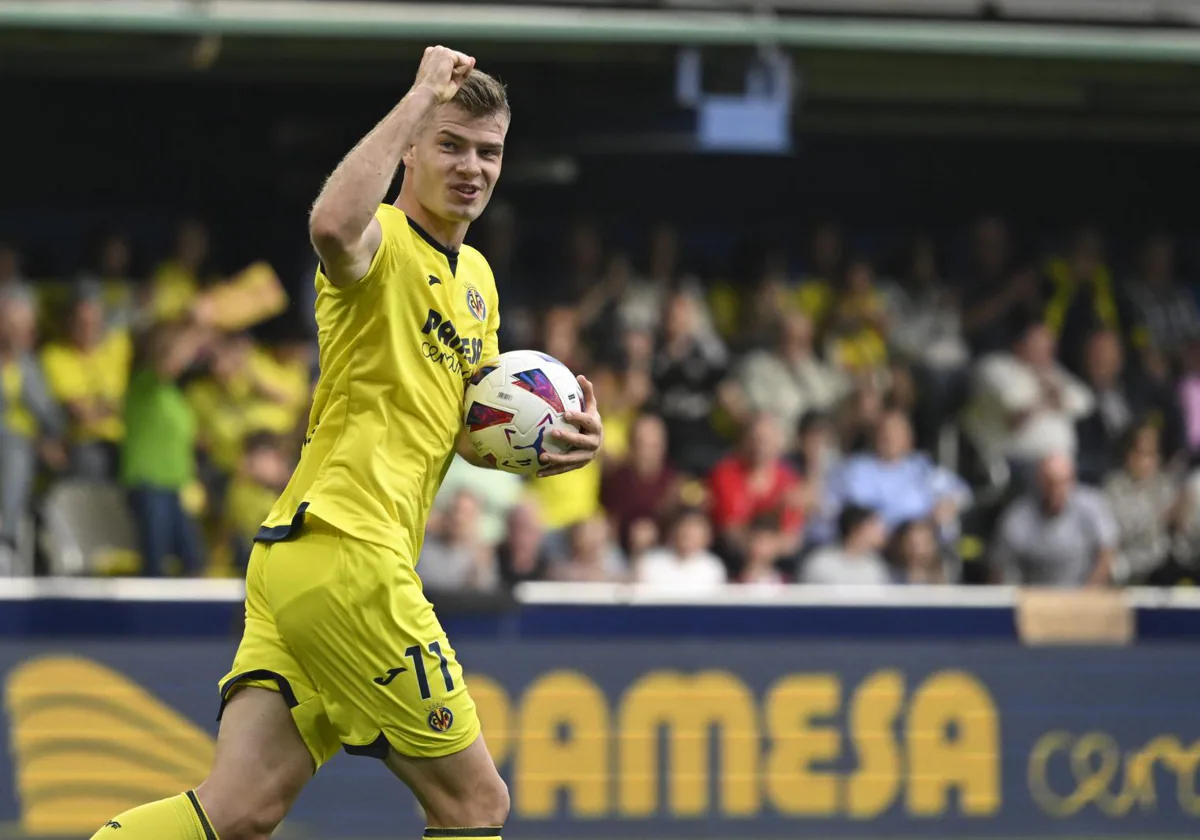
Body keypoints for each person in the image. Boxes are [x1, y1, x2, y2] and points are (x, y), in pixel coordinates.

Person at [89, 46, 603, 840]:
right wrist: (418, 96)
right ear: (411, 149)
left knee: (239, 812)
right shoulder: (382, 240)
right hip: (351, 555)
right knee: (475, 804)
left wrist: (557, 441)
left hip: (298, 557)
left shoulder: (479, 282)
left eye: (489, 151)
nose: (473, 167)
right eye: (451, 145)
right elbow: (332, 224)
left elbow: (462, 427)